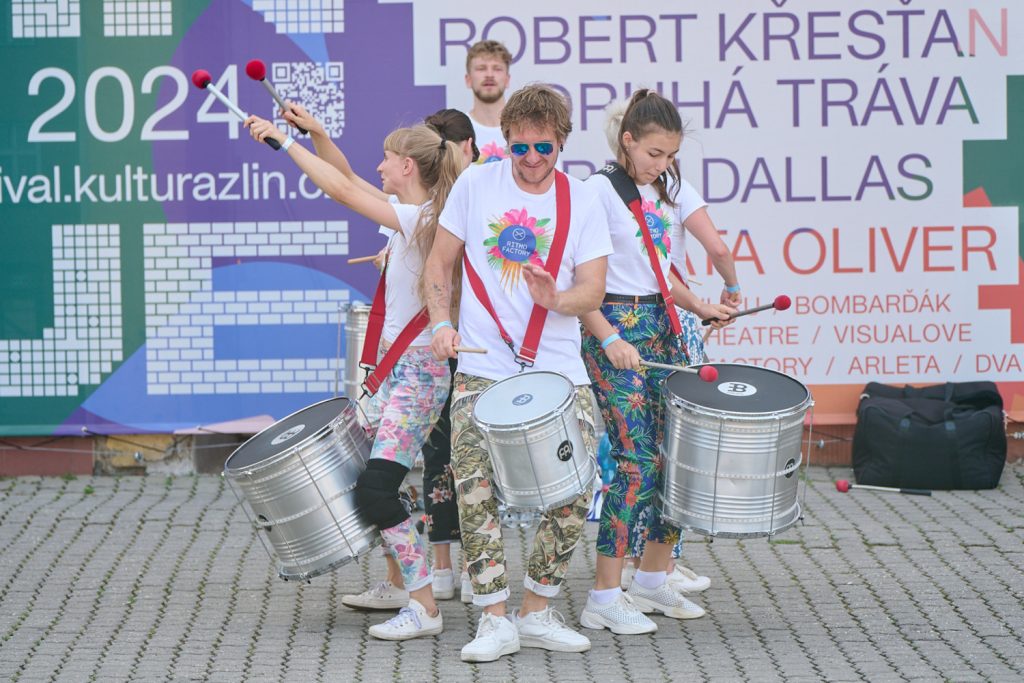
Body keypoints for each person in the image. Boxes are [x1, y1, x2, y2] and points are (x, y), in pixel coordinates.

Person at [244, 114, 464, 641]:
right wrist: (317, 134)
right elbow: (347, 178)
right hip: (394, 372)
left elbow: (342, 190)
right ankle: (407, 587)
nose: (378, 166)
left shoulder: (423, 218)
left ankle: (424, 606)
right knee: (365, 478)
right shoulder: (413, 213)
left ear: (407, 166)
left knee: (375, 487)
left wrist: (284, 142)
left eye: (386, 159)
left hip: (417, 375)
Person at [424, 84, 613, 662]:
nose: (531, 158)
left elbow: (593, 290)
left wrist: (556, 299)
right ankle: (493, 618)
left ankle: (536, 610)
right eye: (520, 147)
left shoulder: (583, 199)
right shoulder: (476, 185)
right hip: (482, 364)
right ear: (505, 141)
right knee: (474, 489)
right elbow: (439, 264)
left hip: (558, 369)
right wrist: (440, 323)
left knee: (576, 488)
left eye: (543, 148)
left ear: (562, 143)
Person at [576, 89, 736, 635]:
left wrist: (701, 305)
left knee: (675, 454)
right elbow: (580, 278)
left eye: (670, 156)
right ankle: (603, 595)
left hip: (663, 325)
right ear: (627, 141)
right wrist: (607, 336)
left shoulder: (658, 190)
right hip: (615, 328)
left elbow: (659, 270)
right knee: (635, 460)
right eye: (654, 153)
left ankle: (650, 578)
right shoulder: (596, 192)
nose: (663, 165)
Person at [464, 39, 511, 163]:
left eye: (497, 69)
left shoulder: (525, 130)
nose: (489, 75)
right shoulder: (456, 131)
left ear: (507, 80)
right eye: (481, 68)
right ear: (468, 80)